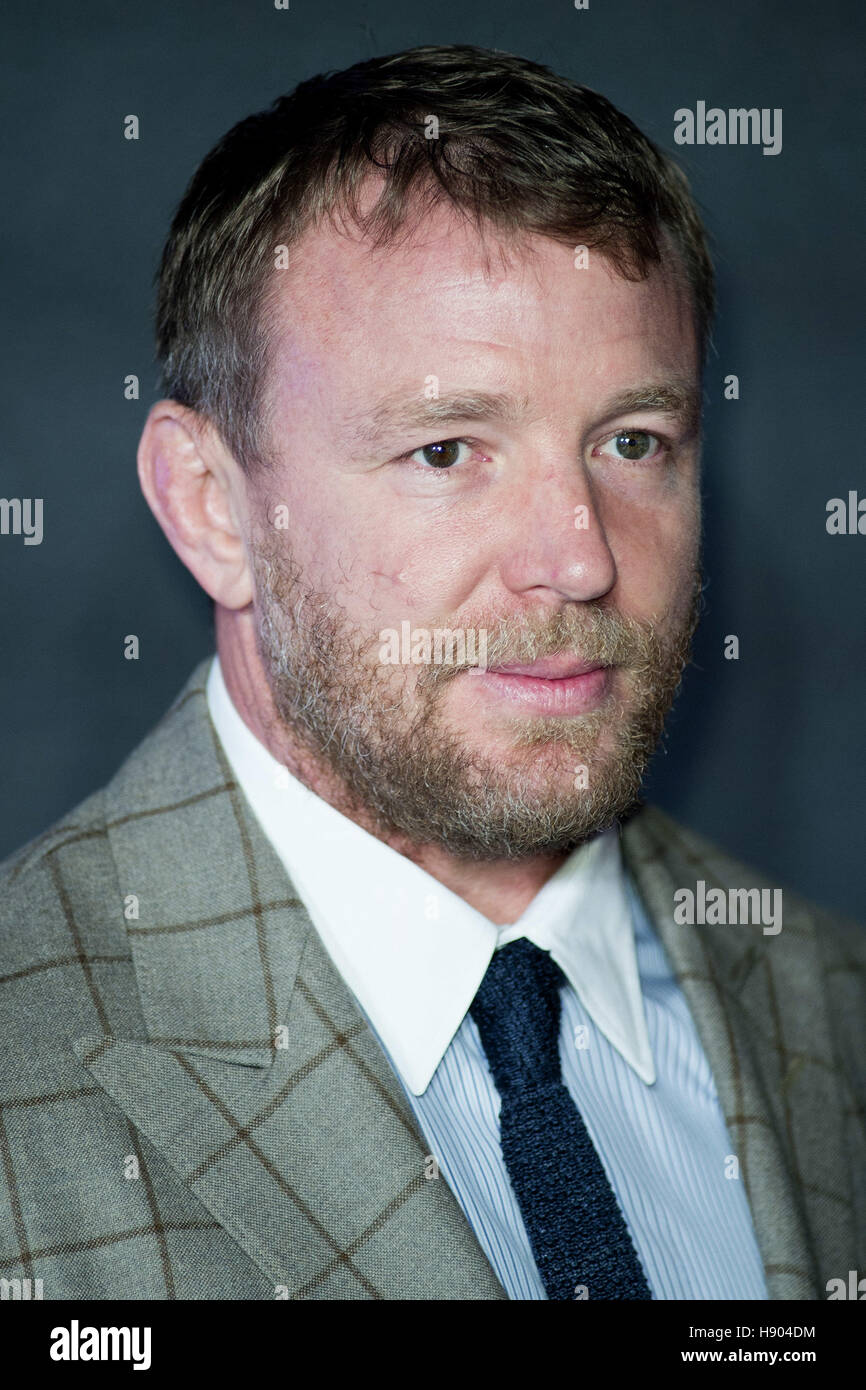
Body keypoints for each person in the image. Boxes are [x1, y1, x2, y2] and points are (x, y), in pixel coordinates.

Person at [1, 44, 862, 1302]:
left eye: (632, 440)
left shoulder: (833, 1005)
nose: (575, 559)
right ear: (211, 506)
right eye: (446, 450)